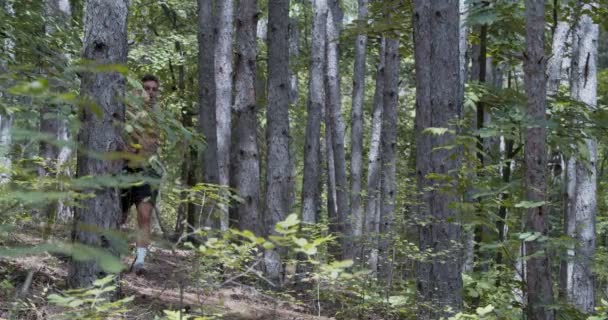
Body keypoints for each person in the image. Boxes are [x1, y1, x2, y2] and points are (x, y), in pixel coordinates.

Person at [120, 74, 162, 275]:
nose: (151, 92)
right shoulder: (127, 111)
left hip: (148, 171)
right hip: (125, 169)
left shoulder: (158, 115)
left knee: (145, 215)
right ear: (139, 89)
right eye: (147, 88)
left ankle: (140, 262)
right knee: (119, 215)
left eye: (154, 89)